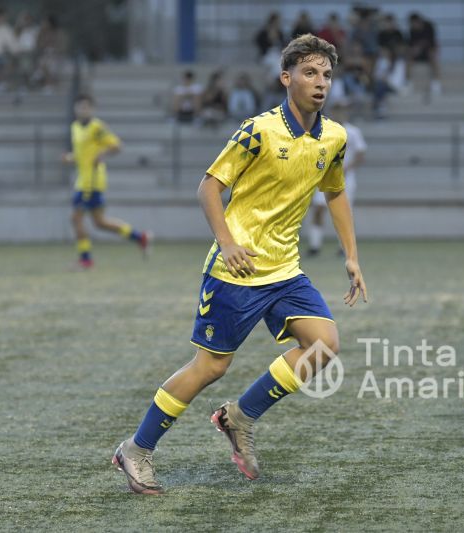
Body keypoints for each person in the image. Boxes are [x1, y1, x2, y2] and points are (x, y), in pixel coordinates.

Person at [112, 34, 369, 495]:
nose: (320, 82)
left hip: (285, 271)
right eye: (310, 73)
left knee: (324, 345)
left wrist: (351, 255)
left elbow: (335, 192)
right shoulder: (259, 130)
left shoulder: (334, 136)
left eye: (327, 75)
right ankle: (136, 448)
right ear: (286, 78)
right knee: (211, 367)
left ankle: (239, 416)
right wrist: (227, 243)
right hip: (239, 270)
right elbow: (208, 187)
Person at [63, 94, 151, 270]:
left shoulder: (97, 127)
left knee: (75, 218)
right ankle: (139, 237)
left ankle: (85, 260)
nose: (83, 110)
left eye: (86, 107)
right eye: (80, 107)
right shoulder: (74, 127)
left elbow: (117, 145)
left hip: (92, 182)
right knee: (99, 222)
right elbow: (83, 154)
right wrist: (71, 158)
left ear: (92, 109)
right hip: (83, 180)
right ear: (75, 109)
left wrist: (101, 155)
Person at [308, 101, 367, 255]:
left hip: (346, 179)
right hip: (326, 178)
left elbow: (360, 155)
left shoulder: (353, 132)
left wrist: (346, 168)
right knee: (318, 210)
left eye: (341, 110)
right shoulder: (322, 130)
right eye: (336, 110)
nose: (338, 113)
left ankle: (344, 248)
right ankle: (315, 245)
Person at [406, 12, 440, 96]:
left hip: (428, 51)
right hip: (417, 53)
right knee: (408, 57)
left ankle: (436, 83)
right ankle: (408, 82)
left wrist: (419, 47)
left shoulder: (429, 26)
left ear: (418, 21)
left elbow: (432, 42)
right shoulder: (412, 30)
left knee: (432, 55)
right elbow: (410, 44)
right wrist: (413, 50)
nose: (414, 26)